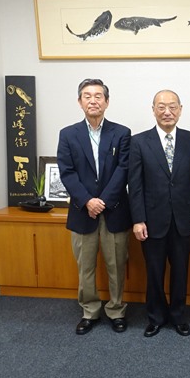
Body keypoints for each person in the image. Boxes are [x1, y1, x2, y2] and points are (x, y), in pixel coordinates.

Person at [57, 78, 132, 335]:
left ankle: (116, 310)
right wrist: (87, 200)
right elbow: (67, 173)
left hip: (115, 210)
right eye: (87, 96)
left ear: (107, 102)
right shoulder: (68, 135)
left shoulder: (122, 133)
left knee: (116, 265)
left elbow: (123, 169)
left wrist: (103, 201)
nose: (93, 100)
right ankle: (89, 310)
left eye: (98, 96)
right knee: (85, 266)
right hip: (82, 212)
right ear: (80, 102)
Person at [128, 90, 190, 338]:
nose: (167, 112)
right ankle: (156, 317)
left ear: (180, 109)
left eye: (172, 106)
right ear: (153, 110)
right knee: (154, 272)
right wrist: (138, 219)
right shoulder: (139, 141)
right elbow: (135, 184)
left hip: (183, 220)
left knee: (181, 271)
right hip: (152, 220)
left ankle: (178, 316)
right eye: (161, 107)